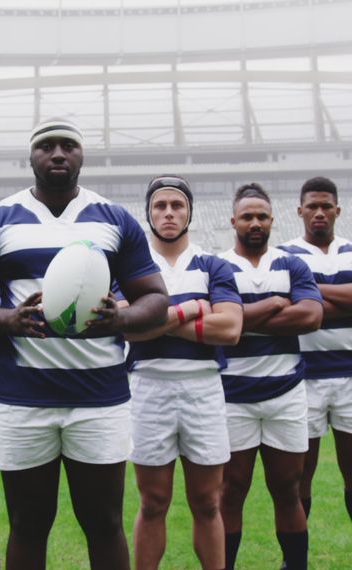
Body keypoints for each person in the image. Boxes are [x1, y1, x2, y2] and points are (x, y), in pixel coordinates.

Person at [0, 118, 169, 570]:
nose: (57, 154)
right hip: (22, 401)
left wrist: (120, 318)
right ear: (31, 156)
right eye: (46, 146)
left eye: (68, 146)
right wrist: (9, 318)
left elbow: (157, 300)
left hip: (100, 400)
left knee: (104, 521)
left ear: (81, 155)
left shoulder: (114, 218)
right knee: (28, 524)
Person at [123, 175, 243, 570]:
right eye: (160, 206)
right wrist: (191, 309)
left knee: (208, 502)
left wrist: (155, 318)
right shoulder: (133, 267)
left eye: (177, 205)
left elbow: (230, 329)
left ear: (189, 211)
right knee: (153, 502)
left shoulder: (213, 265)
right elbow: (125, 326)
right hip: (148, 386)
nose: (169, 213)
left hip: (203, 387)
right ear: (149, 213)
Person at [279, 176, 352, 570]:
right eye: (312, 206)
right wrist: (347, 298)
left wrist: (311, 289)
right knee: (296, 479)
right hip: (301, 377)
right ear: (300, 211)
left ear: (337, 210)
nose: (319, 212)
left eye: (327, 206)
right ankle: (295, 564)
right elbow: (287, 307)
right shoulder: (284, 254)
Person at [217, 184, 323, 570]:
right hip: (233, 397)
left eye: (262, 216)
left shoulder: (292, 264)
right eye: (247, 216)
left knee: (287, 490)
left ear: (273, 220)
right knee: (231, 491)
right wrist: (276, 303)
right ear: (233, 221)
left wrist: (246, 317)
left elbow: (311, 316)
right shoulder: (218, 266)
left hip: (286, 394)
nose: (256, 223)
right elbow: (222, 326)